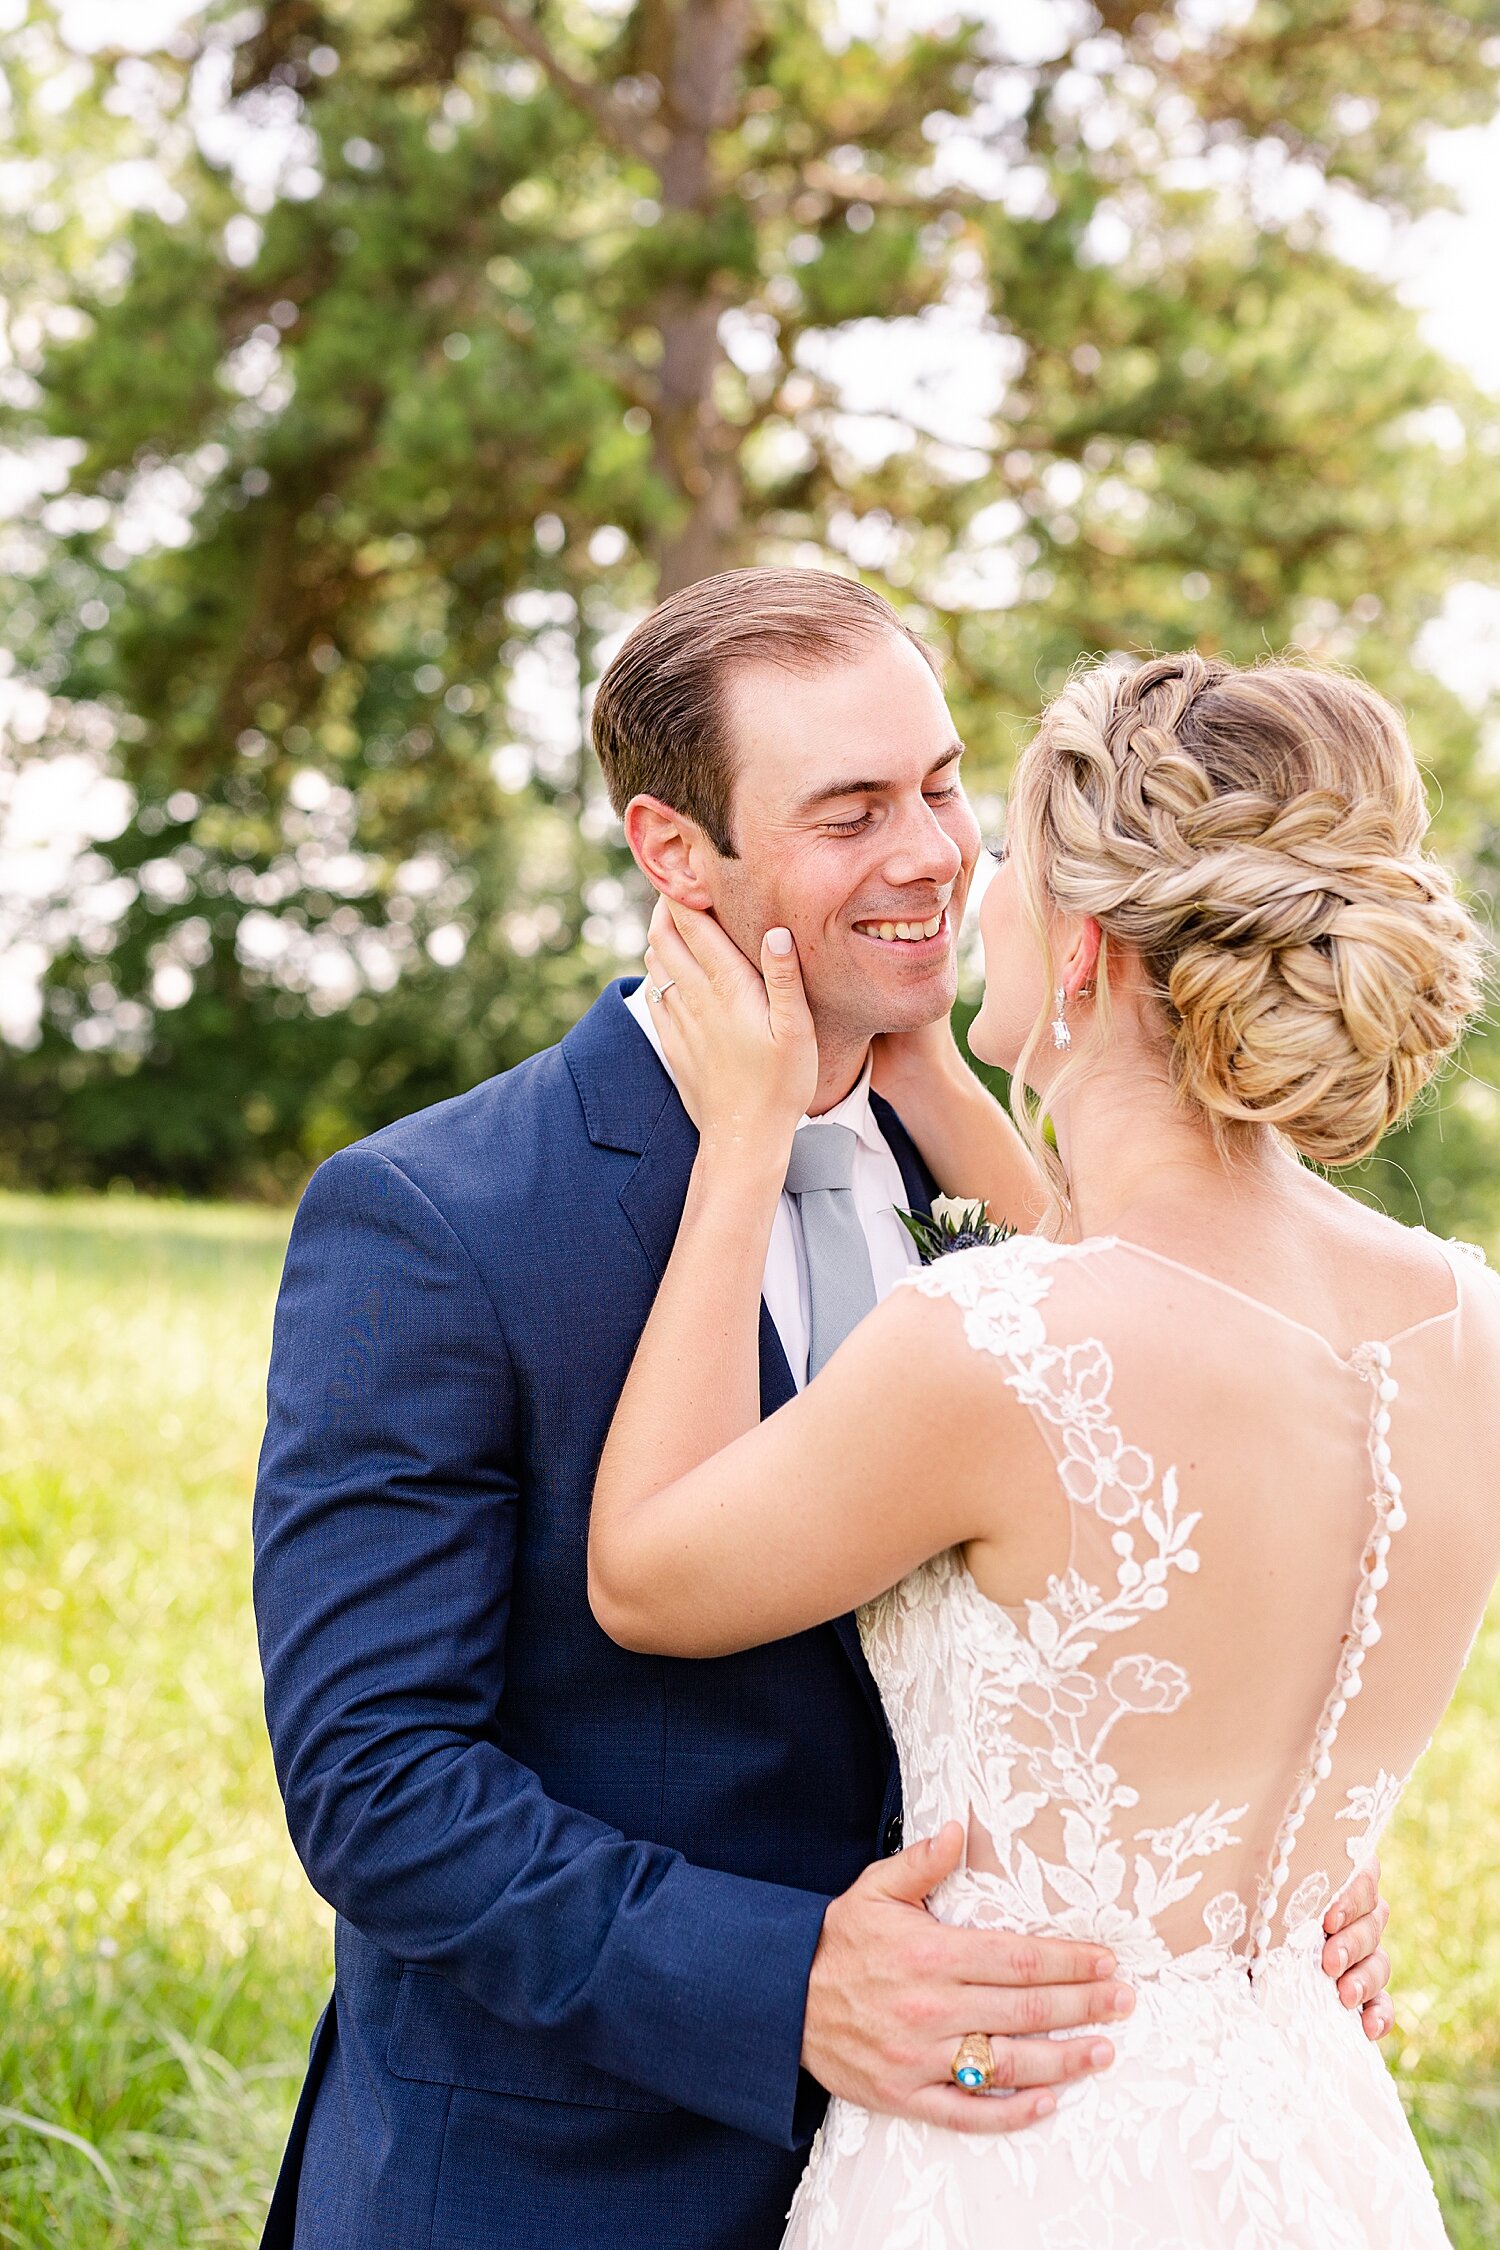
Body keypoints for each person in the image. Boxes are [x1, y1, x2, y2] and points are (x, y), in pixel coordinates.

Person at [253, 579, 1391, 2250]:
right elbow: (375, 1779)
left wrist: (1260, 1862)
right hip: (570, 2181)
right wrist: (785, 1979)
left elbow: (1163, 1557)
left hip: (1014, 2171)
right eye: (849, 812)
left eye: (941, 785)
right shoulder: (436, 1217)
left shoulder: (1026, 1202)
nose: (929, 852)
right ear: (672, 848)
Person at [588, 648, 1490, 2248]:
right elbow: (1154, 1302)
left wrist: (743, 1140)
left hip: (1021, 2152)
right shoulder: (1463, 1326)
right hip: (1314, 2144)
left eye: (988, 840)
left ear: (1080, 946)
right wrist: (953, 1066)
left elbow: (648, 1571)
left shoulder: (989, 1349)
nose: (958, 880)